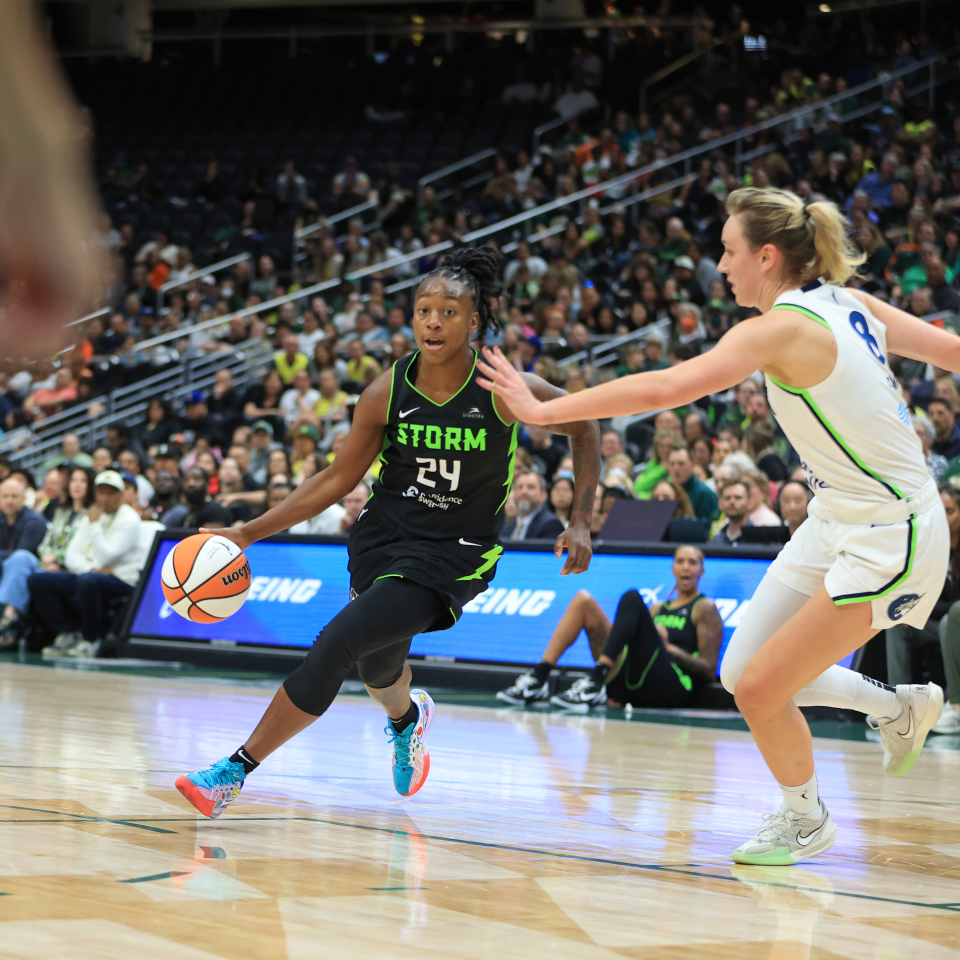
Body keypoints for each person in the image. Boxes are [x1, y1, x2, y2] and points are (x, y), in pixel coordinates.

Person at [478, 186, 955, 866]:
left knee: (762, 688)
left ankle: (807, 819)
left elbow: (666, 388)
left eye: (728, 252)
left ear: (765, 256)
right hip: (835, 516)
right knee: (738, 671)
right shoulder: (848, 306)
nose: (720, 265)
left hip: (894, 533)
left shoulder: (780, 328)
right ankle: (898, 709)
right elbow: (953, 350)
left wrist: (541, 410)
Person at [175, 247, 601, 819]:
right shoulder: (387, 390)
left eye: (449, 312)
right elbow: (338, 477)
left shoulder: (504, 388)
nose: (433, 321)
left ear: (474, 321)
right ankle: (407, 720)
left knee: (338, 642)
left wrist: (579, 518)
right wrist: (249, 533)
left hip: (455, 554)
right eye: (424, 310)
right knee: (378, 667)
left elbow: (586, 423)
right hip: (384, 539)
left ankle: (232, 771)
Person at [498, 545, 723, 710]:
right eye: (681, 561)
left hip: (672, 687)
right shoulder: (656, 609)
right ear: (672, 568)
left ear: (701, 571)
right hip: (631, 682)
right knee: (583, 600)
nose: (686, 568)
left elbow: (709, 670)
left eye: (693, 563)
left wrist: (668, 648)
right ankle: (539, 677)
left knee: (633, 598)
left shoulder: (704, 607)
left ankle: (596, 679)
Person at [29, 470, 142, 659]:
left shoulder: (129, 519)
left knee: (88, 582)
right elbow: (71, 554)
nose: (105, 497)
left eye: (111, 492)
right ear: (95, 494)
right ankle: (68, 632)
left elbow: (107, 556)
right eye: (101, 492)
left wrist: (95, 525)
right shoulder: (90, 515)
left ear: (121, 495)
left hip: (121, 580)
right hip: (90, 575)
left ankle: (91, 639)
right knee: (38, 580)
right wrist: (90, 569)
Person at [0, 467, 93, 649]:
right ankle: (9, 622)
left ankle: (8, 617)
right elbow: (45, 545)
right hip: (44, 564)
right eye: (74, 480)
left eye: (82, 481)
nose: (77, 485)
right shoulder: (61, 512)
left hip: (66, 567)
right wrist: (48, 557)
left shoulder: (91, 515)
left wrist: (57, 559)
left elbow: (27, 550)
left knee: (20, 559)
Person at [501, 471, 566, 540]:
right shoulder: (506, 528)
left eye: (530, 487)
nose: (524, 491)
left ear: (543, 495)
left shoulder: (551, 525)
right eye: (520, 487)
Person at [666, 446, 718, 524]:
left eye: (681, 463)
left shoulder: (704, 494)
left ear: (692, 464)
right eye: (672, 464)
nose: (676, 468)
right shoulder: (665, 492)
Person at [710, 478, 753, 546]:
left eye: (738, 497)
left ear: (749, 502)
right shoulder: (715, 542)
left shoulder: (757, 540)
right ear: (720, 504)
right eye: (727, 498)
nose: (732, 502)